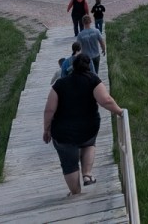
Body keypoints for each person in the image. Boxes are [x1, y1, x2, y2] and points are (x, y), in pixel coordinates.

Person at [43, 53, 123, 196]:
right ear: (89, 66)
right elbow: (106, 100)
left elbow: (49, 110)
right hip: (88, 128)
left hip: (63, 132)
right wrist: (120, 112)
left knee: (69, 163)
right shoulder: (93, 80)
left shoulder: (59, 84)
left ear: (73, 67)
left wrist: (46, 129)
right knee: (89, 144)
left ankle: (75, 193)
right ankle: (87, 174)